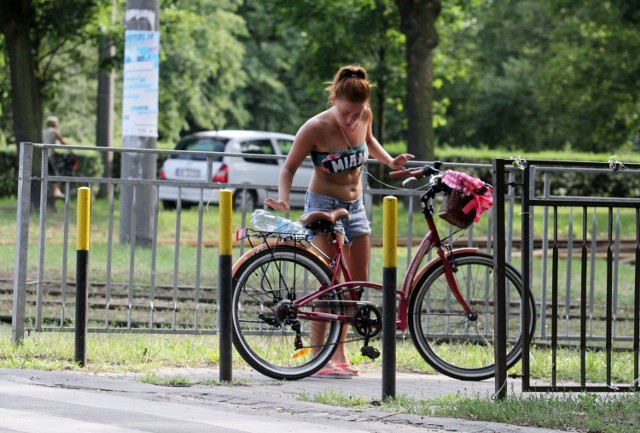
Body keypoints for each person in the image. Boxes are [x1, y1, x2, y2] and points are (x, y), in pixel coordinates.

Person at [265, 65, 414, 378]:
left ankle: (341, 351)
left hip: (355, 206)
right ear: (334, 99)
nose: (351, 119)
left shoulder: (364, 116)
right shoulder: (314, 128)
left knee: (354, 286)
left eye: (356, 113)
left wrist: (389, 161)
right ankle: (319, 356)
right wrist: (283, 198)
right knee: (329, 285)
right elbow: (289, 168)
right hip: (323, 206)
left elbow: (369, 141)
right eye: (346, 112)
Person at [42, 116, 67, 199]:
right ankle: (56, 192)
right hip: (49, 156)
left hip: (44, 154)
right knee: (55, 173)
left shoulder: (43, 131)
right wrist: (72, 151)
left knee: (49, 173)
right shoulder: (54, 131)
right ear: (54, 124)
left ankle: (53, 192)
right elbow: (63, 142)